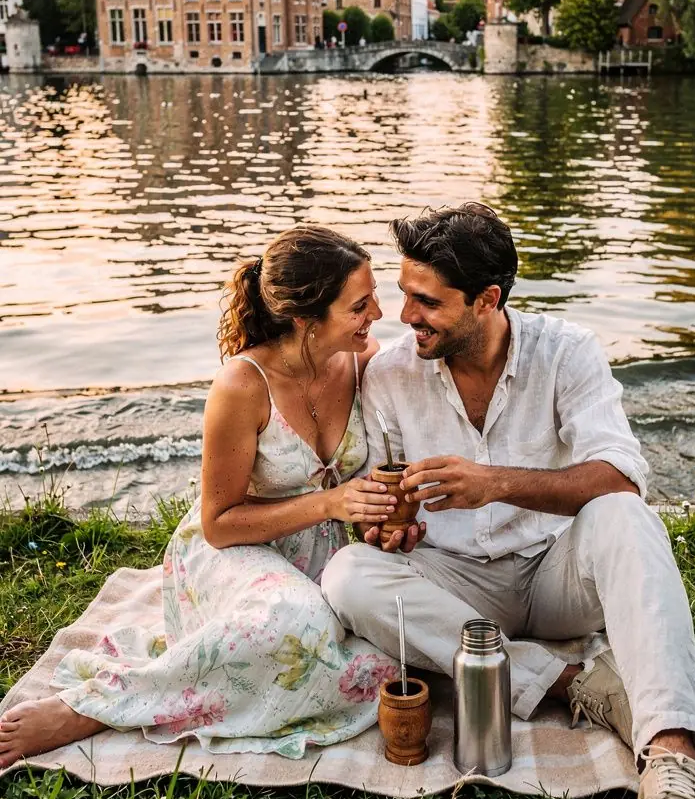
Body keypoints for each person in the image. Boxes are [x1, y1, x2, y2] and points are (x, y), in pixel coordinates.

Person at [321, 203, 695, 799]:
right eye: (403, 294)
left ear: (487, 300)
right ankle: (574, 682)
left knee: (626, 517)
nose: (404, 316)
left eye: (426, 301)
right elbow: (385, 498)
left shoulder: (566, 351)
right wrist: (388, 525)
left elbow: (620, 475)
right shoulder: (389, 373)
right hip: (453, 581)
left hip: (554, 575)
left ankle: (676, 766)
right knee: (347, 574)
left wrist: (495, 483)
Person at [0, 226, 399, 770]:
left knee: (397, 648)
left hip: (327, 551)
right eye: (360, 304)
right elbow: (219, 523)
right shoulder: (244, 384)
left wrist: (384, 518)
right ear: (307, 320)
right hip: (232, 551)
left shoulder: (362, 361)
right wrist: (329, 505)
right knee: (296, 625)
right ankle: (98, 705)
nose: (378, 311)